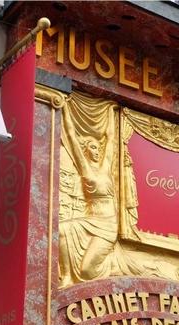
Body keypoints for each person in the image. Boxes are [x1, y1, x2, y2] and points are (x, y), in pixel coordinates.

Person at [59, 102, 119, 285]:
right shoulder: (85, 169)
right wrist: (64, 105)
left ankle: (116, 262)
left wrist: (110, 111)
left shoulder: (105, 167)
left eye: (97, 148)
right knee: (61, 229)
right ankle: (67, 276)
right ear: (85, 150)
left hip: (107, 224)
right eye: (92, 147)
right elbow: (71, 135)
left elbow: (110, 139)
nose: (96, 150)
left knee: (86, 270)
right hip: (90, 220)